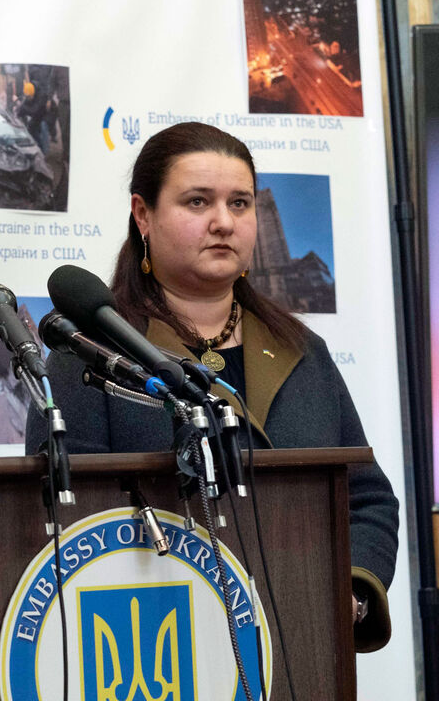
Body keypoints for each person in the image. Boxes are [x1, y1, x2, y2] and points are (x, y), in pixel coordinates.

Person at [25, 121, 400, 652]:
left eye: (240, 203)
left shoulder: (302, 350)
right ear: (143, 215)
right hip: (151, 646)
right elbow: (63, 513)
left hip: (300, 644)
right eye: (198, 201)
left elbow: (368, 499)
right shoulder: (89, 355)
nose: (224, 222)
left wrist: (351, 593)